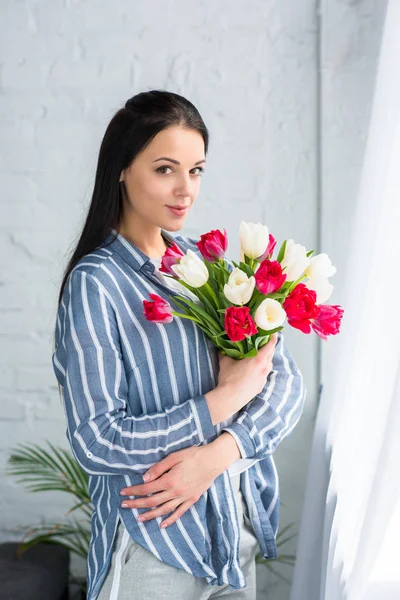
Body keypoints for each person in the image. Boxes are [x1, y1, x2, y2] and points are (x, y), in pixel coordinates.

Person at [51, 90, 307, 600]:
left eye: (196, 170)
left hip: (231, 532)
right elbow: (97, 440)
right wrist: (225, 400)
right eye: (165, 169)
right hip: (155, 547)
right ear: (122, 170)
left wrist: (219, 455)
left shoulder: (204, 267)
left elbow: (285, 383)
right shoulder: (96, 284)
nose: (185, 189)